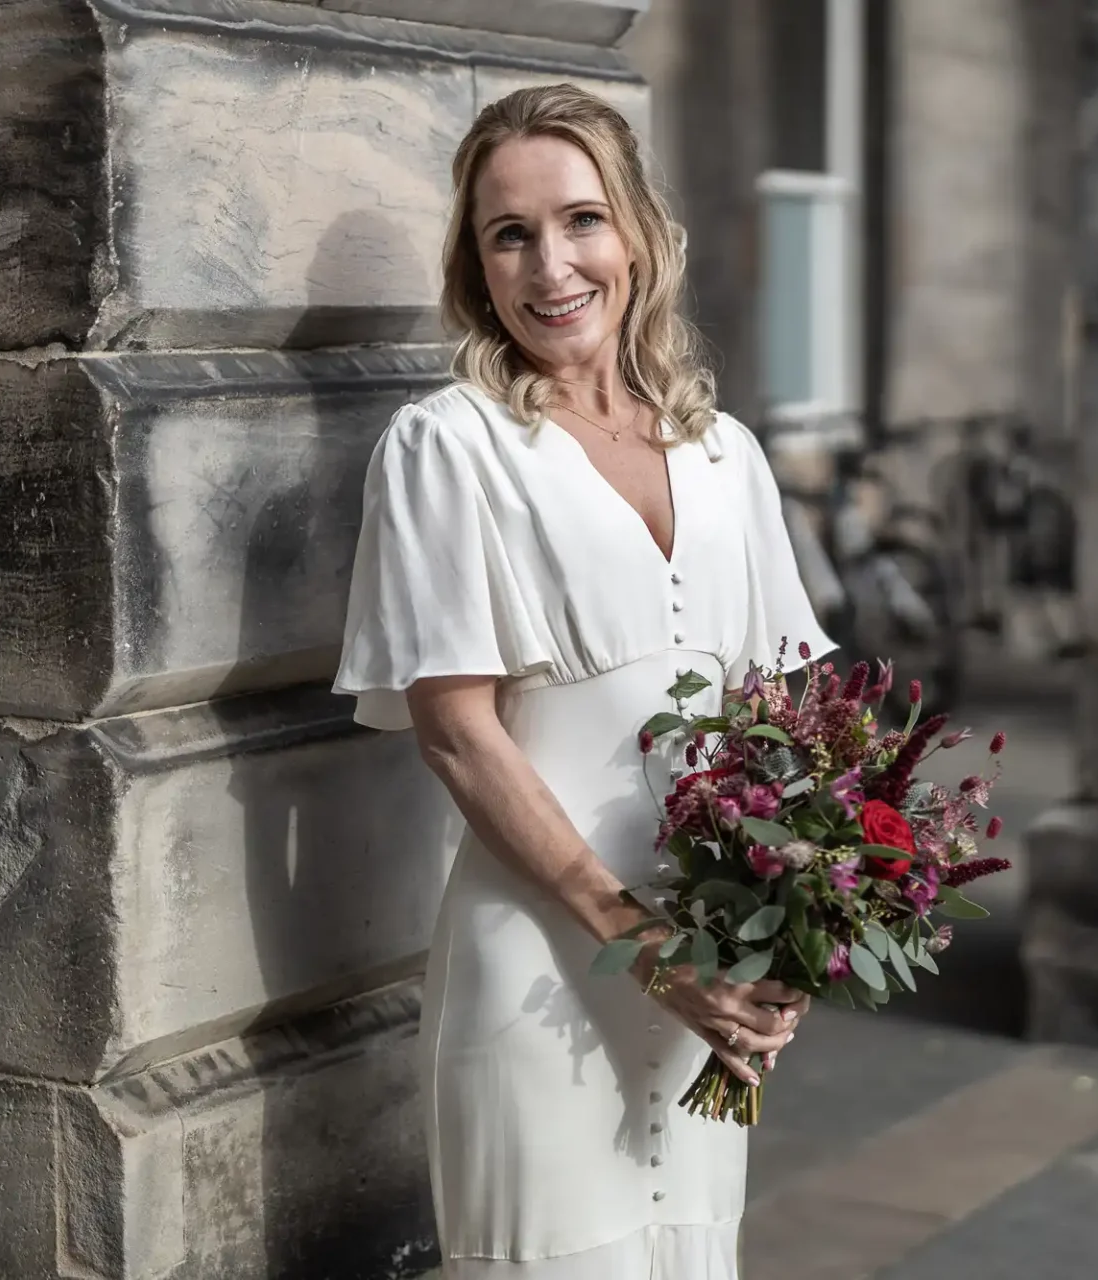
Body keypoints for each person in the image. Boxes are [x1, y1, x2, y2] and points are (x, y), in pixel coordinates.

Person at [333, 84, 834, 1278]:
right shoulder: (446, 446)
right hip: (545, 964)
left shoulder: (726, 451)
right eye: (510, 234)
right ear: (477, 264)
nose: (551, 265)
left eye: (580, 220)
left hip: (712, 964)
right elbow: (457, 737)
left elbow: (786, 718)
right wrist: (639, 940)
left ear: (639, 235)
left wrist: (797, 927)